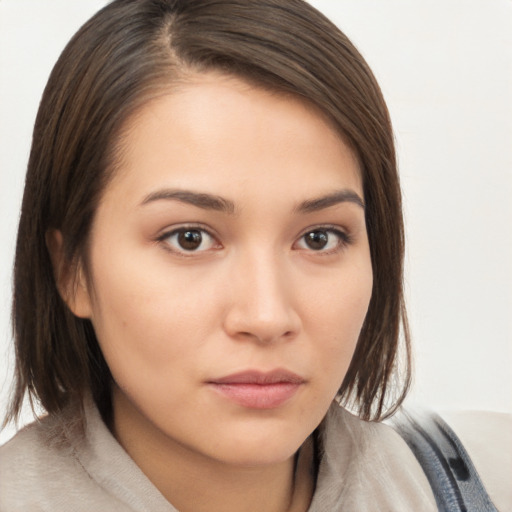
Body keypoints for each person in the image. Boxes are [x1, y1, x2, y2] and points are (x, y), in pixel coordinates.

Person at [0, 1, 509, 511]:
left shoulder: (483, 481)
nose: (267, 316)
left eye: (319, 238)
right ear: (72, 271)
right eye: (189, 238)